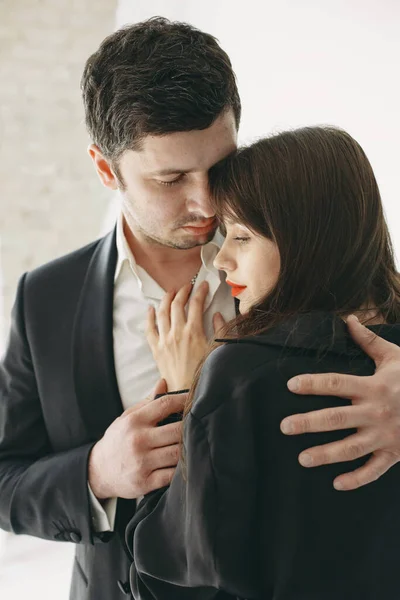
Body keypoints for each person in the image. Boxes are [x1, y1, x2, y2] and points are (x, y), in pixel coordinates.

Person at [0, 17, 399, 600]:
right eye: (171, 178)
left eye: (217, 165)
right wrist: (96, 474)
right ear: (107, 169)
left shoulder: (300, 249)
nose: (205, 199)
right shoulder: (46, 299)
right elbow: (6, 477)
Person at [128, 126, 400, 599]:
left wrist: (184, 391)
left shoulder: (239, 373)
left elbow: (171, 580)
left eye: (241, 237)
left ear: (306, 239)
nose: (222, 261)